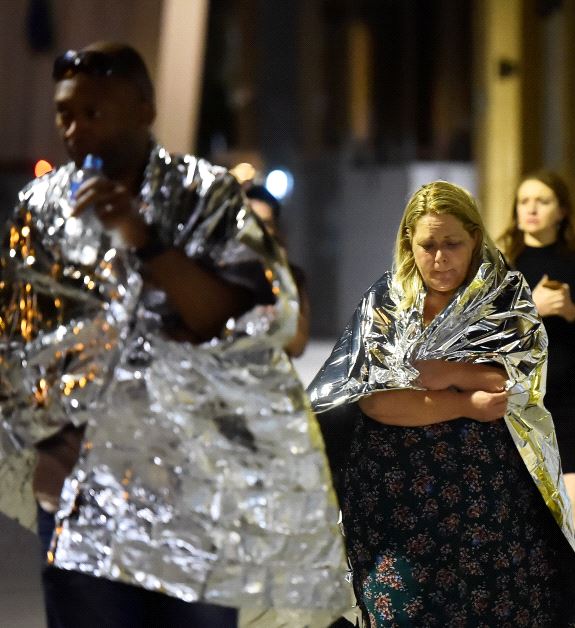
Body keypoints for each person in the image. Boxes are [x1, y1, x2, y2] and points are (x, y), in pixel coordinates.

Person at [0, 42, 350, 627]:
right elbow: (19, 341)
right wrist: (42, 447)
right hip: (80, 491)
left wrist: (143, 238)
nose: (75, 129)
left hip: (193, 483)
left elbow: (250, 318)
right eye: (65, 113)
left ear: (144, 110)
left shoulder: (206, 195)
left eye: (94, 113)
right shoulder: (42, 208)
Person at [308, 181, 575, 627]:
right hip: (396, 501)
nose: (439, 258)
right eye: (427, 245)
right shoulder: (388, 301)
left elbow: (516, 383)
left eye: (452, 243)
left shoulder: (503, 299)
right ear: (407, 243)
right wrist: (465, 403)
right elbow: (375, 400)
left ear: (475, 237)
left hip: (487, 503)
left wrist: (438, 372)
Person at [498, 170, 575, 585]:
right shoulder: (503, 263)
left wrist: (570, 312)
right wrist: (532, 307)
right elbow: (483, 336)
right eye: (523, 200)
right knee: (523, 510)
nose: (530, 208)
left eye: (542, 201)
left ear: (561, 211)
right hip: (516, 400)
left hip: (569, 401)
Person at [245, 183, 311, 357]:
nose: (257, 231)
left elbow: (297, 346)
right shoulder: (218, 273)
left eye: (265, 224)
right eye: (250, 221)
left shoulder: (290, 276)